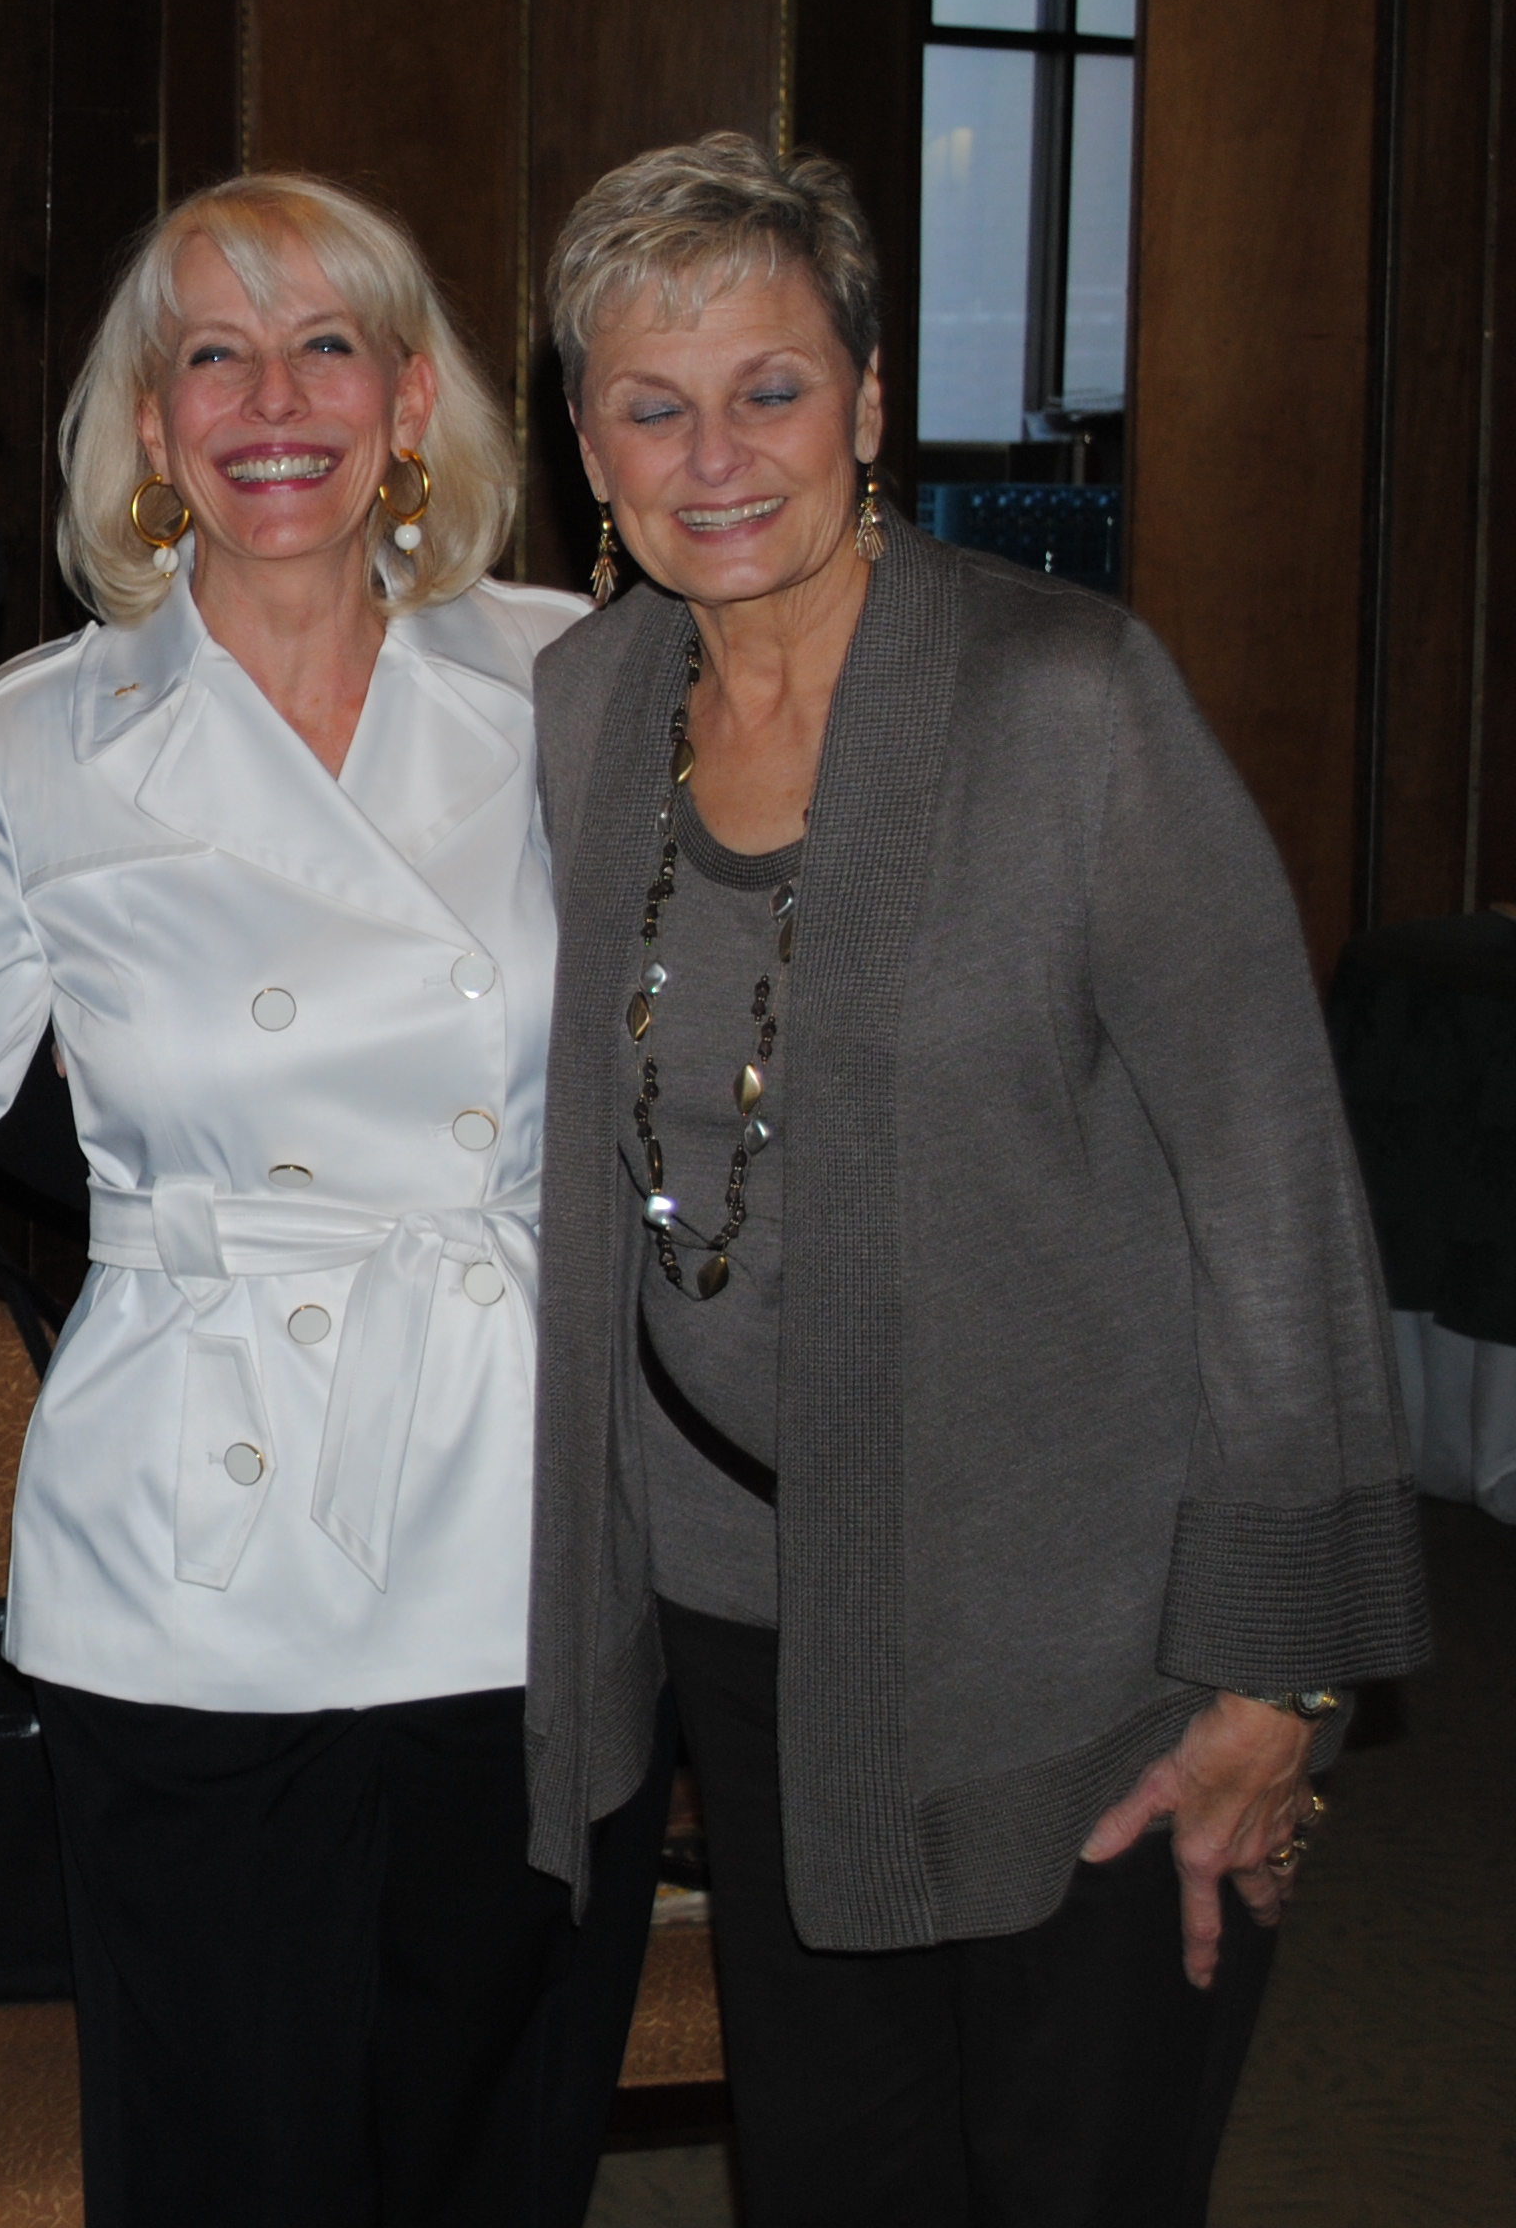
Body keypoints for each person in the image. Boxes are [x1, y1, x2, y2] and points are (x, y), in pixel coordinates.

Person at [525, 134, 1434, 2224]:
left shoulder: (1066, 703)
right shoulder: (588, 707)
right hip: (749, 1632)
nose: (714, 455)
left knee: (1069, 2178)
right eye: (652, 407)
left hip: (1079, 1652)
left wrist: (1278, 1675)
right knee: (835, 2180)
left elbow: (1275, 1200)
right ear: (586, 446)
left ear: (867, 399)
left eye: (770, 388)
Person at [0, 174, 662, 2225]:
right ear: (149, 424)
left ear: (410, 402)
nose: (273, 399)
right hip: (192, 1552)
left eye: (328, 346)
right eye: (211, 355)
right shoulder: (37, 738)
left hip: (518, 1516)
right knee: (222, 2156)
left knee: (486, 2146)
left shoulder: (578, 683)